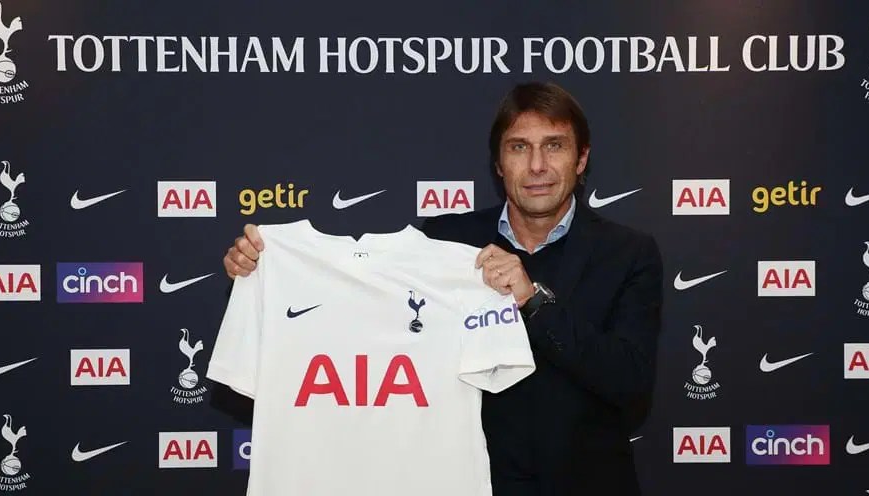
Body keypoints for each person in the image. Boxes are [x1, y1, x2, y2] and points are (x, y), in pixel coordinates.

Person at [222, 81, 663, 496]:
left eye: (554, 146)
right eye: (518, 147)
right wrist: (262, 270)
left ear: (581, 159)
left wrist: (533, 301)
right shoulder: (443, 243)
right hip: (477, 483)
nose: (536, 166)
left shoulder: (629, 253)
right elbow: (359, 314)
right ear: (498, 163)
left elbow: (629, 378)